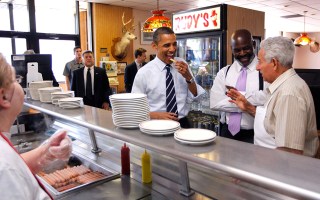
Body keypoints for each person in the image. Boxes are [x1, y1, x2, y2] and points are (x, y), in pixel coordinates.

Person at [227, 36, 319, 156]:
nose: (257, 67)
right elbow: (276, 121)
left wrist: (256, 160)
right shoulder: (284, 86)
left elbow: (290, 153)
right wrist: (248, 107)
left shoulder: (288, 94)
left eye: (260, 61)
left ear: (275, 63)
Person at [0, 53, 72, 199]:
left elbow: (18, 167)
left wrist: (46, 152)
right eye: (16, 80)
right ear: (4, 97)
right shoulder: (5, 170)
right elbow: (10, 170)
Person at [132, 27, 205, 128]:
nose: (172, 49)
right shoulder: (144, 73)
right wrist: (156, 115)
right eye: (167, 45)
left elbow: (196, 95)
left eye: (174, 44)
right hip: (155, 124)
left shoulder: (182, 65)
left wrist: (188, 77)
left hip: (182, 123)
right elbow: (135, 109)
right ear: (154, 46)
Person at [210, 29, 268, 143]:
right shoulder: (224, 72)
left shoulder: (265, 71)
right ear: (231, 49)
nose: (242, 53)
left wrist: (233, 98)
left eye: (246, 48)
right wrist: (252, 100)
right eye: (237, 50)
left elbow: (269, 100)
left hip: (253, 135)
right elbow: (214, 103)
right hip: (226, 132)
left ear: (254, 44)